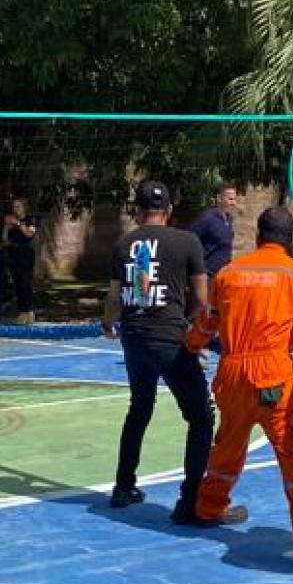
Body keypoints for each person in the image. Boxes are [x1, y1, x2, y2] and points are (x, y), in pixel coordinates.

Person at [183, 207, 293, 553]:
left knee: (228, 445)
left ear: (258, 235)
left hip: (232, 373)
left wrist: (191, 346)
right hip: (274, 374)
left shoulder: (230, 273)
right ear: (288, 240)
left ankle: (208, 507)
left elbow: (208, 321)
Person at [102, 180, 216, 523]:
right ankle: (191, 499)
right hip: (169, 338)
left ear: (136, 209)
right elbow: (201, 297)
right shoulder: (187, 242)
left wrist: (109, 322)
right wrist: (190, 327)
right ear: (169, 208)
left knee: (139, 407)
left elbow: (113, 295)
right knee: (200, 417)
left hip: (134, 338)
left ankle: (124, 486)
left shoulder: (124, 243)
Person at [190, 183, 239, 279]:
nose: (233, 203)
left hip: (222, 275)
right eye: (230, 199)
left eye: (234, 199)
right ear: (219, 198)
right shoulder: (206, 218)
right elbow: (190, 239)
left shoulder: (229, 219)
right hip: (207, 276)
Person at [4, 197, 41, 325]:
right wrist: (7, 227)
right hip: (14, 254)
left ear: (24, 207)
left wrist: (19, 224)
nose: (16, 209)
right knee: (17, 283)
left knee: (26, 282)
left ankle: (30, 311)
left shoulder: (30, 219)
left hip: (26, 253)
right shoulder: (12, 222)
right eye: (14, 207)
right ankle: (22, 311)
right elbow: (5, 240)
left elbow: (29, 234)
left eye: (18, 206)